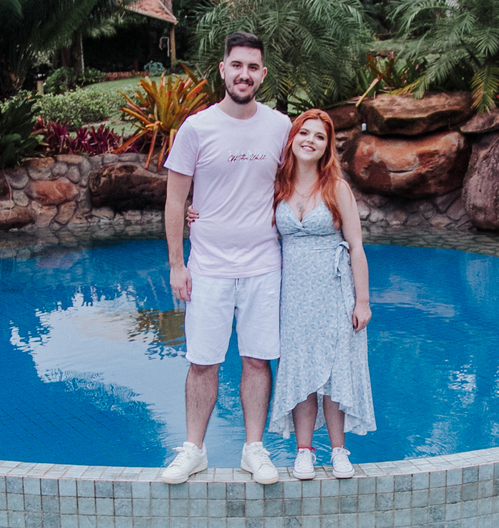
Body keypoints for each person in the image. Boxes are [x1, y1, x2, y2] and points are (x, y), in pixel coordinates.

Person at [159, 32, 293, 485]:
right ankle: (193, 449)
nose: (244, 74)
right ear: (222, 69)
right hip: (208, 267)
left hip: (263, 265)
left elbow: (299, 183)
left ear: (263, 75)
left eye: (253, 67)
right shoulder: (196, 128)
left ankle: (253, 449)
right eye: (237, 65)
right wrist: (177, 264)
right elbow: (175, 200)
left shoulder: (280, 127)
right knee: (202, 362)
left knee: (257, 360)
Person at [267, 109, 375, 479]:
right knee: (300, 371)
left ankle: (339, 451)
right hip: (294, 298)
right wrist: (198, 213)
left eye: (319, 136)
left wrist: (363, 301)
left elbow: (356, 246)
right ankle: (304, 452)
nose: (310, 141)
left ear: (327, 146)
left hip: (334, 294)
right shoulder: (278, 187)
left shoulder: (336, 188)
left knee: (334, 373)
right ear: (292, 139)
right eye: (304, 133)